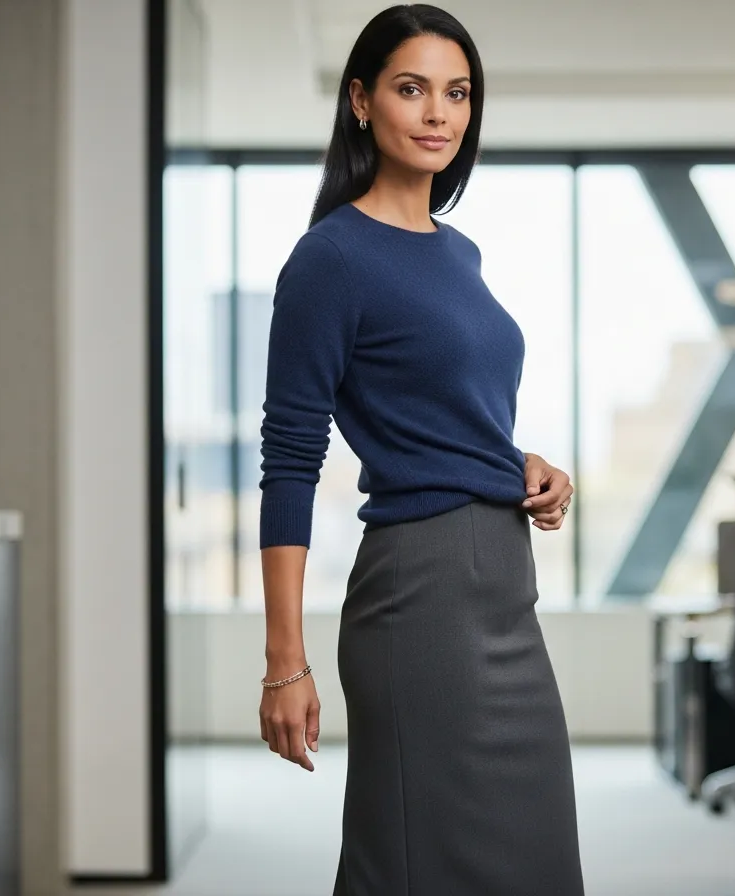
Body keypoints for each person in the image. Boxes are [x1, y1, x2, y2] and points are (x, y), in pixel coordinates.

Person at [256, 4, 586, 894]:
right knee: (418, 863)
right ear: (361, 101)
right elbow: (290, 458)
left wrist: (520, 464)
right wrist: (285, 662)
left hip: (506, 588)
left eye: (457, 93)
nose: (439, 113)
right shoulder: (330, 259)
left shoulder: (461, 253)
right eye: (412, 89)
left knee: (539, 862)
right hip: (422, 596)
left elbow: (441, 413)